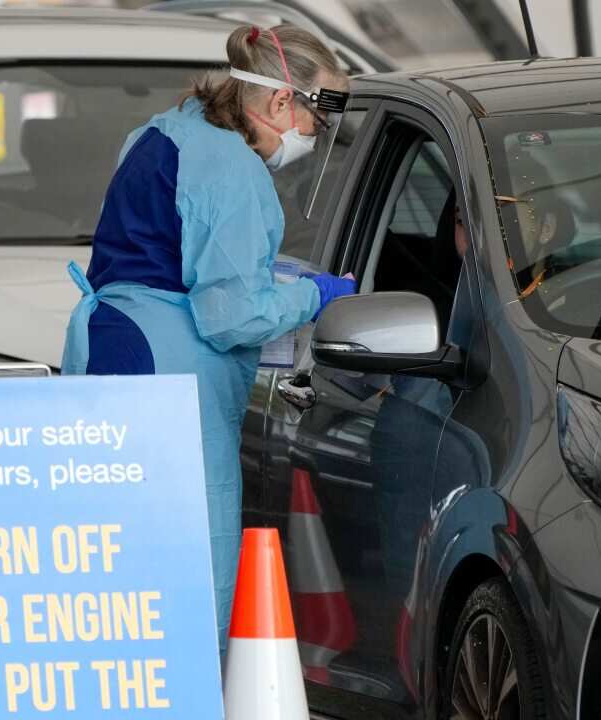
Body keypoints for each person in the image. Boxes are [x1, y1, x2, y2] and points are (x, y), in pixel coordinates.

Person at [61, 24, 356, 653]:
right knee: (190, 573)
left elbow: (169, 252)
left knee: (114, 565)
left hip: (109, 351)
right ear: (281, 101)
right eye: (318, 117)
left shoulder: (165, 131)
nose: (317, 135)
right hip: (169, 381)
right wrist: (316, 295)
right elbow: (232, 316)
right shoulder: (234, 171)